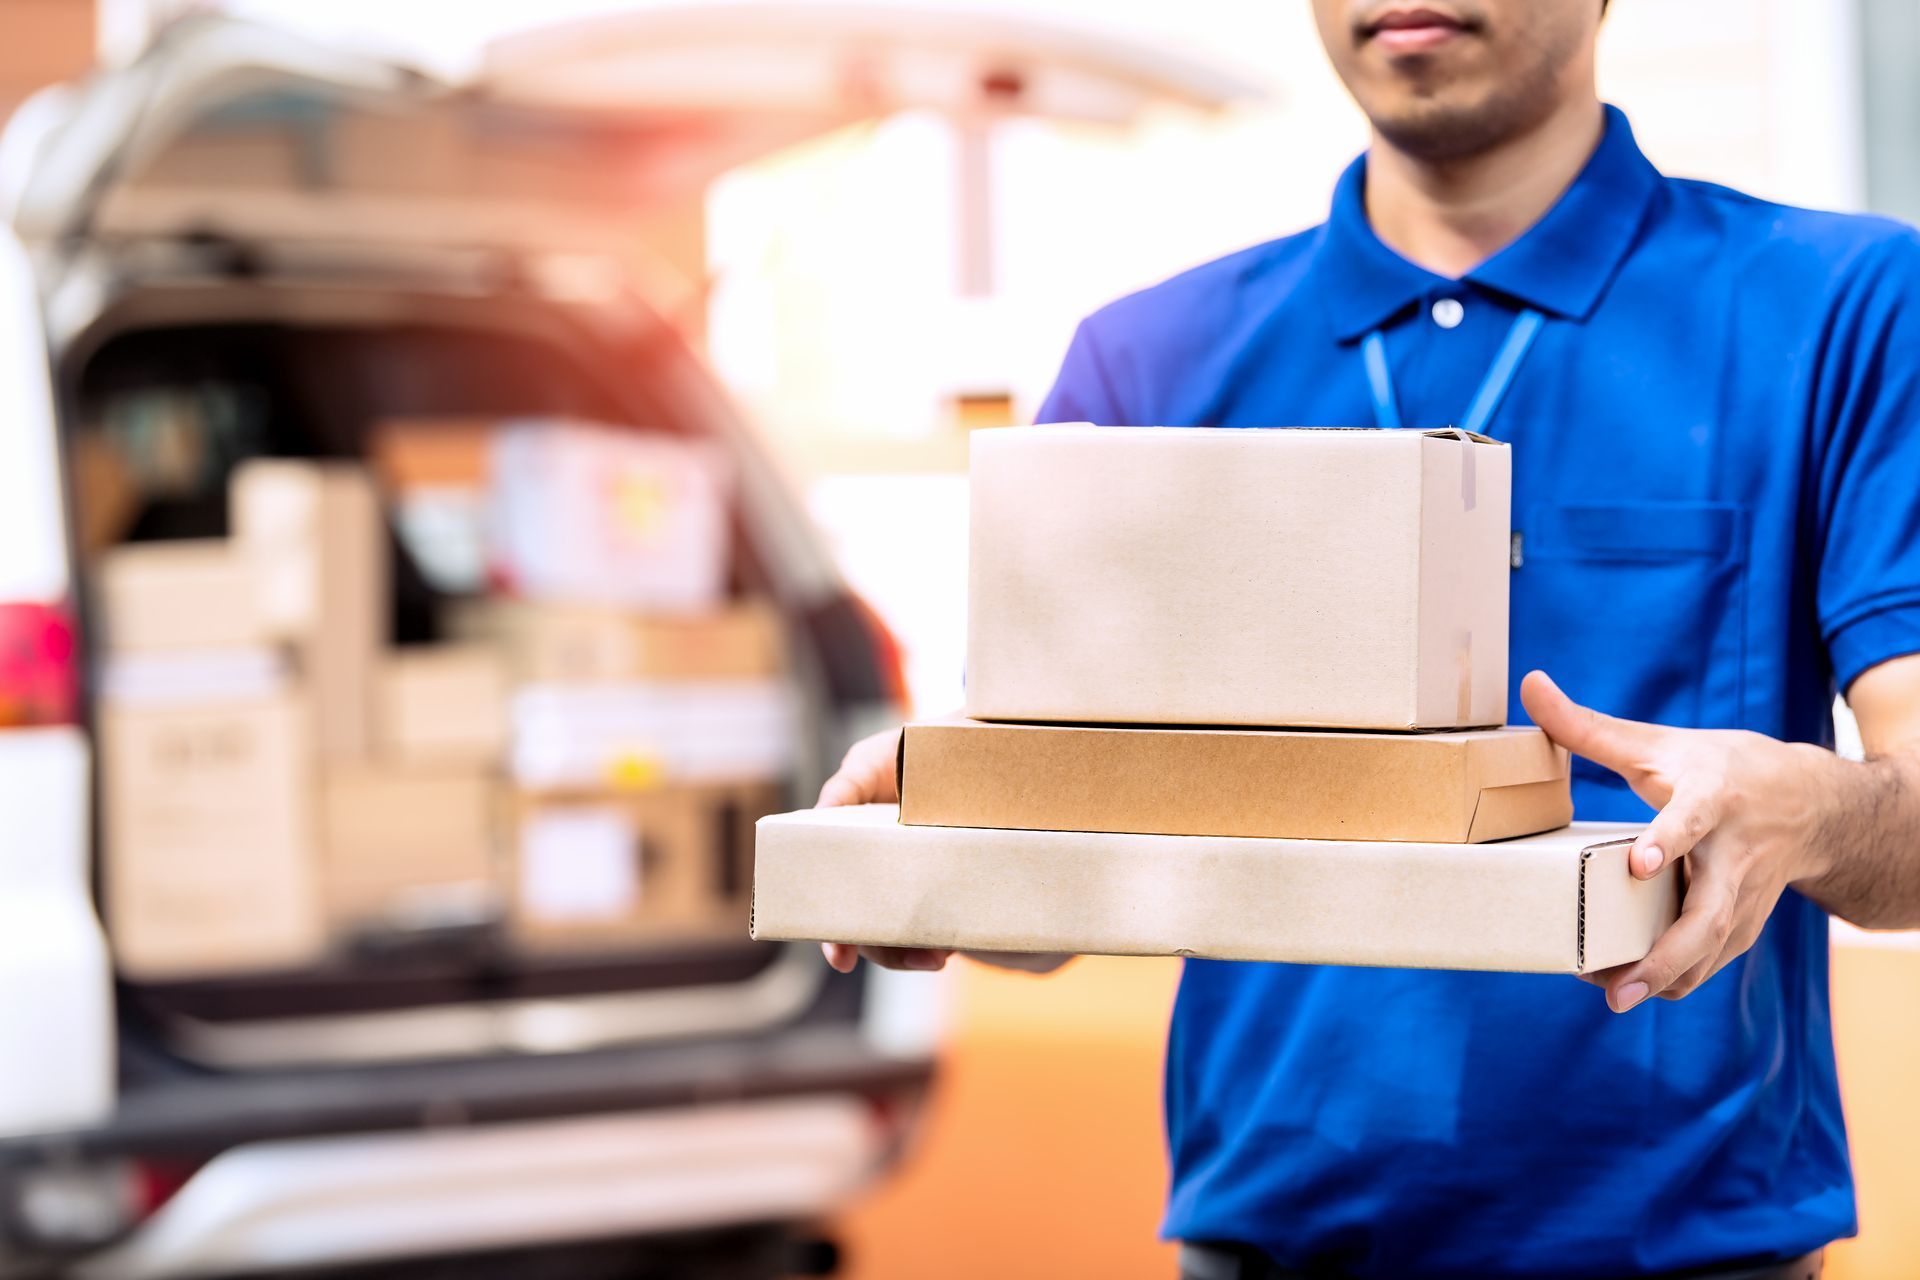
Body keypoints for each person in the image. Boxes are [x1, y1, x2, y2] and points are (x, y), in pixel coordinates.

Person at [816, 1, 1920, 1275]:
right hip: (1267, 1243)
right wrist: (941, 853)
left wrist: (1814, 810)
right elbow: (1053, 891)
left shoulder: (1842, 308)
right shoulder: (1148, 363)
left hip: (1684, 1248)